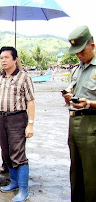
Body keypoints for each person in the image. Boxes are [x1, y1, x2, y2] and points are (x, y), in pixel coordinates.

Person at [0, 46, 35, 202]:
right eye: (1, 57)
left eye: (7, 57)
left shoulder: (24, 77)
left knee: (18, 154)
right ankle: (14, 182)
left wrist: (30, 124)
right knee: (6, 152)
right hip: (2, 118)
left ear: (15, 59)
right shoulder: (0, 77)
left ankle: (24, 191)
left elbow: (30, 101)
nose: (3, 60)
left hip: (17, 118)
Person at [61, 25, 96, 202]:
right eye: (76, 53)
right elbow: (75, 92)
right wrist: (69, 97)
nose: (79, 56)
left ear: (92, 46)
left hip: (91, 127)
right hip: (74, 125)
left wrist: (89, 103)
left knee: (91, 175)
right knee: (76, 173)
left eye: (81, 51)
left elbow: (89, 100)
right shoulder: (78, 69)